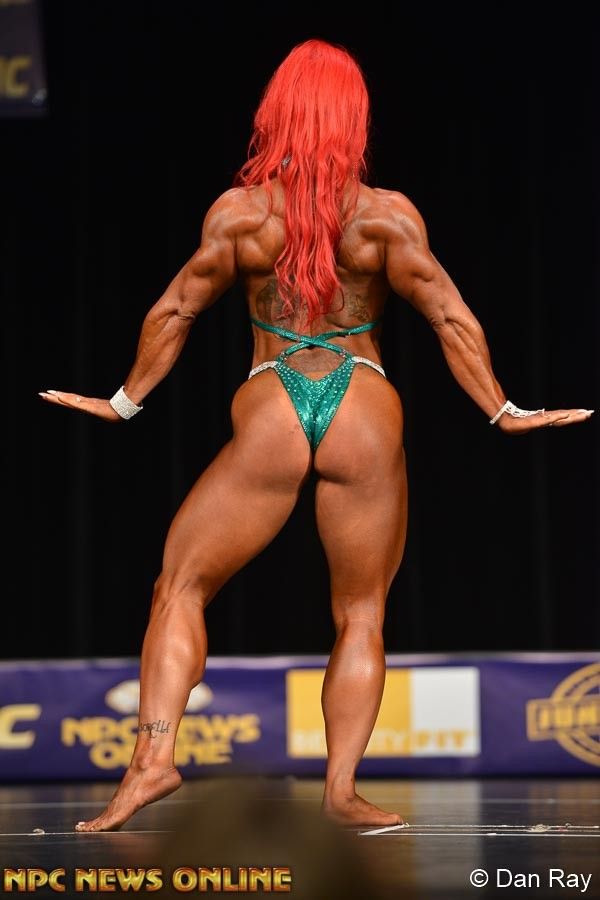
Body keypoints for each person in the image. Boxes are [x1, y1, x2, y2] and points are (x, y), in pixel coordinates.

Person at [39, 39, 593, 832]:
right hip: (363, 402)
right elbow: (449, 316)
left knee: (180, 587)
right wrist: (502, 408)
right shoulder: (387, 217)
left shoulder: (239, 215)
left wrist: (125, 401)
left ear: (275, 115)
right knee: (361, 612)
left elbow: (176, 308)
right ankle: (341, 790)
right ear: (354, 120)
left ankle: (152, 761)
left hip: (273, 398)